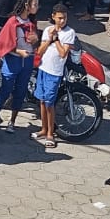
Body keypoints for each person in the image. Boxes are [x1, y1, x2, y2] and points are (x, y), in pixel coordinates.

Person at [0, 0, 40, 127]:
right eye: (34, 4)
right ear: (26, 5)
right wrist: (18, 51)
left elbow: (35, 44)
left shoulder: (32, 23)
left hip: (28, 62)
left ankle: (12, 121)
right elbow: (3, 43)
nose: (37, 7)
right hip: (13, 61)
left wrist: (36, 41)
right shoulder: (12, 22)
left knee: (20, 91)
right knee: (5, 90)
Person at [31, 13, 73, 150]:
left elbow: (63, 53)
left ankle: (50, 133)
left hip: (55, 73)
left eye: (65, 18)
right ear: (53, 17)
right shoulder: (48, 30)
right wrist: (49, 38)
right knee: (42, 101)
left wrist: (56, 40)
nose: (62, 20)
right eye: (60, 18)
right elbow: (40, 50)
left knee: (50, 103)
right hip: (43, 69)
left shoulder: (69, 33)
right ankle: (43, 129)